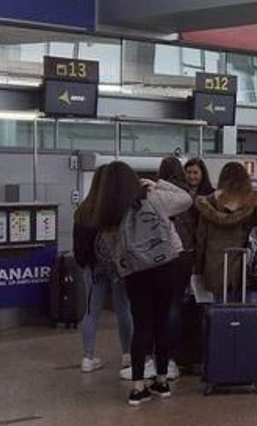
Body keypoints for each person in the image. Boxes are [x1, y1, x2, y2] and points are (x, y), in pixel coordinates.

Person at [93, 162, 193, 405]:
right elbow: (185, 199)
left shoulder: (108, 211)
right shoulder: (152, 197)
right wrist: (157, 183)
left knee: (142, 324)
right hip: (164, 265)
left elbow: (112, 247)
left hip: (135, 271)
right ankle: (162, 380)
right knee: (162, 321)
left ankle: (138, 387)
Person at [193, 162, 257, 302]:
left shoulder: (208, 203)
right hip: (245, 267)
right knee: (244, 314)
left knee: (218, 315)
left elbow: (201, 239)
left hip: (215, 268)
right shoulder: (252, 199)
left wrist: (199, 269)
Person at [72, 165, 132, 375]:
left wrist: (86, 263)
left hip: (93, 266)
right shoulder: (117, 207)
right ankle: (127, 356)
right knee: (123, 309)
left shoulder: (84, 208)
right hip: (117, 266)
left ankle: (87, 357)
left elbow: (78, 244)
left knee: (91, 311)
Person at [158, 157, 198, 381]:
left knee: (158, 308)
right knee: (176, 306)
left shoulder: (154, 194)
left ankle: (157, 357)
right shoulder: (188, 196)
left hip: (158, 257)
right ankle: (174, 357)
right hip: (183, 255)